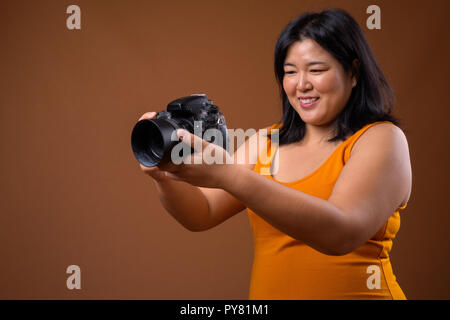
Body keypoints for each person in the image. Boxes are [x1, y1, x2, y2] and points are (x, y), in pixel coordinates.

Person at [137, 8, 412, 300]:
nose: (301, 84)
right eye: (290, 72)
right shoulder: (266, 143)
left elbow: (341, 232)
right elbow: (202, 212)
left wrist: (230, 175)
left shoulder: (380, 139)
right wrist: (164, 176)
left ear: (353, 72)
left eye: (316, 70)